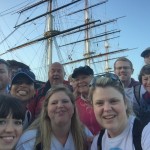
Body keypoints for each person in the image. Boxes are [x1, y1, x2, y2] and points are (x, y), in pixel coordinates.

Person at [16, 85, 92, 150]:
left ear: (73, 107)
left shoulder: (84, 133)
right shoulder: (30, 139)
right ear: (46, 110)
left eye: (65, 101)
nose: (60, 106)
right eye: (54, 103)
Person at [89, 73, 150, 150]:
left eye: (113, 101)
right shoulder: (98, 142)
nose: (107, 108)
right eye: (99, 103)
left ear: (125, 103)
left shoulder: (146, 131)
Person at [72, 65, 100, 135]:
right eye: (77, 80)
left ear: (93, 78)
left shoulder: (104, 98)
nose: (80, 81)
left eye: (84, 77)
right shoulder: (73, 103)